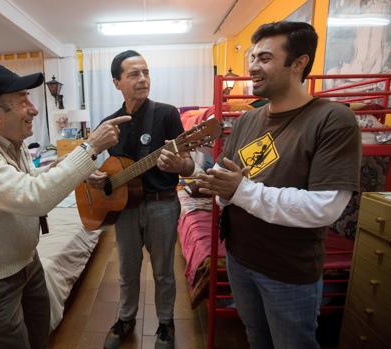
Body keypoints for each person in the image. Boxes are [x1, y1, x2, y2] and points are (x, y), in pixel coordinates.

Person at [0, 63, 131, 349]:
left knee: (40, 332)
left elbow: (24, 180)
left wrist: (74, 167)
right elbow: (33, 196)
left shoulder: (10, 141)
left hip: (25, 260)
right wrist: (89, 148)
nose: (34, 109)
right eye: (23, 101)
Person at [196, 22, 361, 349]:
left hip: (287, 272)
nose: (253, 66)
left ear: (299, 63)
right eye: (253, 57)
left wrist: (238, 191)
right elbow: (224, 179)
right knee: (256, 338)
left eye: (265, 58)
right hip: (238, 259)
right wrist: (207, 178)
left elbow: (325, 207)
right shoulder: (247, 120)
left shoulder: (333, 119)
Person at [87, 50, 195, 349]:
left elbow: (188, 164)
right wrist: (91, 177)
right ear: (116, 82)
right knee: (127, 270)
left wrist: (180, 166)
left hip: (161, 204)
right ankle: (125, 319)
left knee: (163, 271)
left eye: (146, 72)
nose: (142, 79)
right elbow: (90, 161)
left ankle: (165, 325)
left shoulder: (167, 114)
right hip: (123, 207)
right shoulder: (109, 123)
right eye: (133, 74)